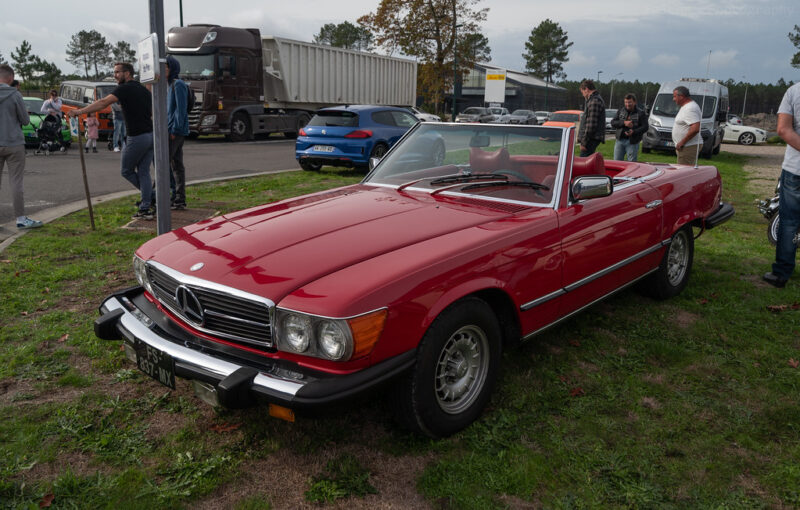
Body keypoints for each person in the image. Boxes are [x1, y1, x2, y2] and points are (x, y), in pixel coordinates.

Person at [68, 62, 154, 220]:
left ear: (127, 73)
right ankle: (146, 206)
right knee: (143, 172)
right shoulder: (143, 89)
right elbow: (151, 112)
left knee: (126, 171)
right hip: (149, 135)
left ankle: (151, 198)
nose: (115, 75)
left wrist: (79, 111)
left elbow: (103, 103)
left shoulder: (124, 88)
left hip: (136, 136)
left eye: (117, 72)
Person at [763, 81, 800, 288]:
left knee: (790, 222)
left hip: (796, 169)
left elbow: (783, 130)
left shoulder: (794, 91)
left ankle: (781, 273)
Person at [0, 64, 42, 229]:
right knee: (16, 181)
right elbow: (25, 121)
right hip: (14, 143)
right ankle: (20, 218)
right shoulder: (15, 94)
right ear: (10, 78)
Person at [165, 55, 190, 210]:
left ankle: (171, 195)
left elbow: (181, 110)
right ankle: (179, 197)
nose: (163, 70)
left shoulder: (178, 84)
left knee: (164, 163)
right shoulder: (168, 85)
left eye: (166, 67)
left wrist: (175, 129)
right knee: (176, 165)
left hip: (175, 131)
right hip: (171, 129)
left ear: (172, 68)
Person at [610, 93, 649, 162]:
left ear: (635, 102)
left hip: (633, 142)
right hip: (620, 141)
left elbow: (645, 127)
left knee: (631, 164)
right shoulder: (621, 111)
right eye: (626, 102)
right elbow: (613, 122)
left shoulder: (641, 113)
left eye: (629, 102)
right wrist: (624, 123)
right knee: (617, 162)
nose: (627, 104)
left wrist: (634, 131)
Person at [671, 86, 702, 165]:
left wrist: (682, 142)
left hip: (688, 146)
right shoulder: (686, 107)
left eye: (674, 96)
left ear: (681, 96)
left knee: (683, 173)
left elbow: (695, 128)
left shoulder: (690, 108)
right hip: (686, 146)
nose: (673, 99)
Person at [577, 79, 606, 157]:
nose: (583, 95)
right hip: (592, 138)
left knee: (584, 163)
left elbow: (591, 126)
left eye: (582, 92)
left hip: (590, 139)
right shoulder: (594, 100)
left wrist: (584, 143)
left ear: (586, 89)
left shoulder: (594, 101)